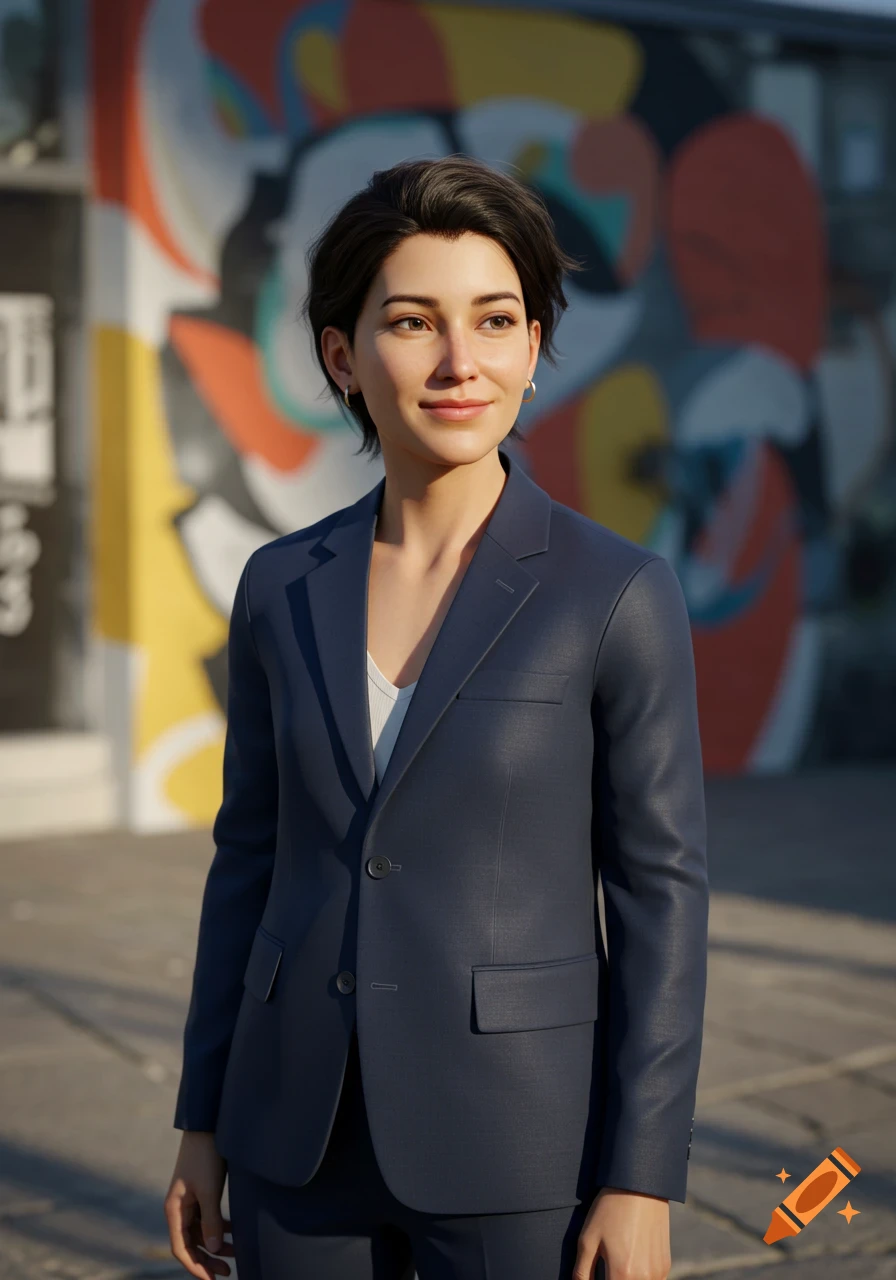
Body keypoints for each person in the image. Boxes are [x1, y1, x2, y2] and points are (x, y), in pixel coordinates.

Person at [164, 154, 709, 1280]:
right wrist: (202, 1117)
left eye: (496, 320)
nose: (461, 362)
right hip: (292, 1136)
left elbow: (660, 896)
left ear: (532, 347)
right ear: (341, 356)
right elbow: (247, 860)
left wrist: (641, 1174)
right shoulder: (279, 583)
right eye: (413, 322)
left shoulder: (614, 591)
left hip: (518, 1136)